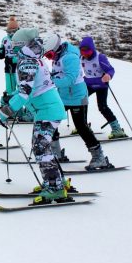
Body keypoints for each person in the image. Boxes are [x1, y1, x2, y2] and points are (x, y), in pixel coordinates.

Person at [0, 28, 72, 204]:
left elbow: (24, 93)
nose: (11, 48)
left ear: (22, 45)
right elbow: (26, 89)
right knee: (41, 146)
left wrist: (5, 112)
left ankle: (54, 188)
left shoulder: (27, 62)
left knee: (40, 147)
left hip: (48, 110)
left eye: (14, 44)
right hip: (46, 109)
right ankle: (55, 182)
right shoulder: (31, 58)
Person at [44, 34, 113, 170]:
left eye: (50, 55)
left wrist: (50, 83)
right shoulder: (58, 56)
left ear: (57, 49)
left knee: (81, 126)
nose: (49, 58)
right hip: (62, 95)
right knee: (51, 120)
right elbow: (58, 73)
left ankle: (99, 157)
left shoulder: (70, 57)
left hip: (77, 96)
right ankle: (56, 153)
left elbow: (70, 79)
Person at [79, 36, 128, 139]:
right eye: (82, 51)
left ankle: (117, 130)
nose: (85, 53)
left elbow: (111, 70)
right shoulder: (81, 58)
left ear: (92, 49)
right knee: (81, 102)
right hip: (88, 85)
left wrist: (108, 76)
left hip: (101, 86)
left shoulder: (100, 57)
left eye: (87, 50)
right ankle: (83, 126)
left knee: (102, 107)